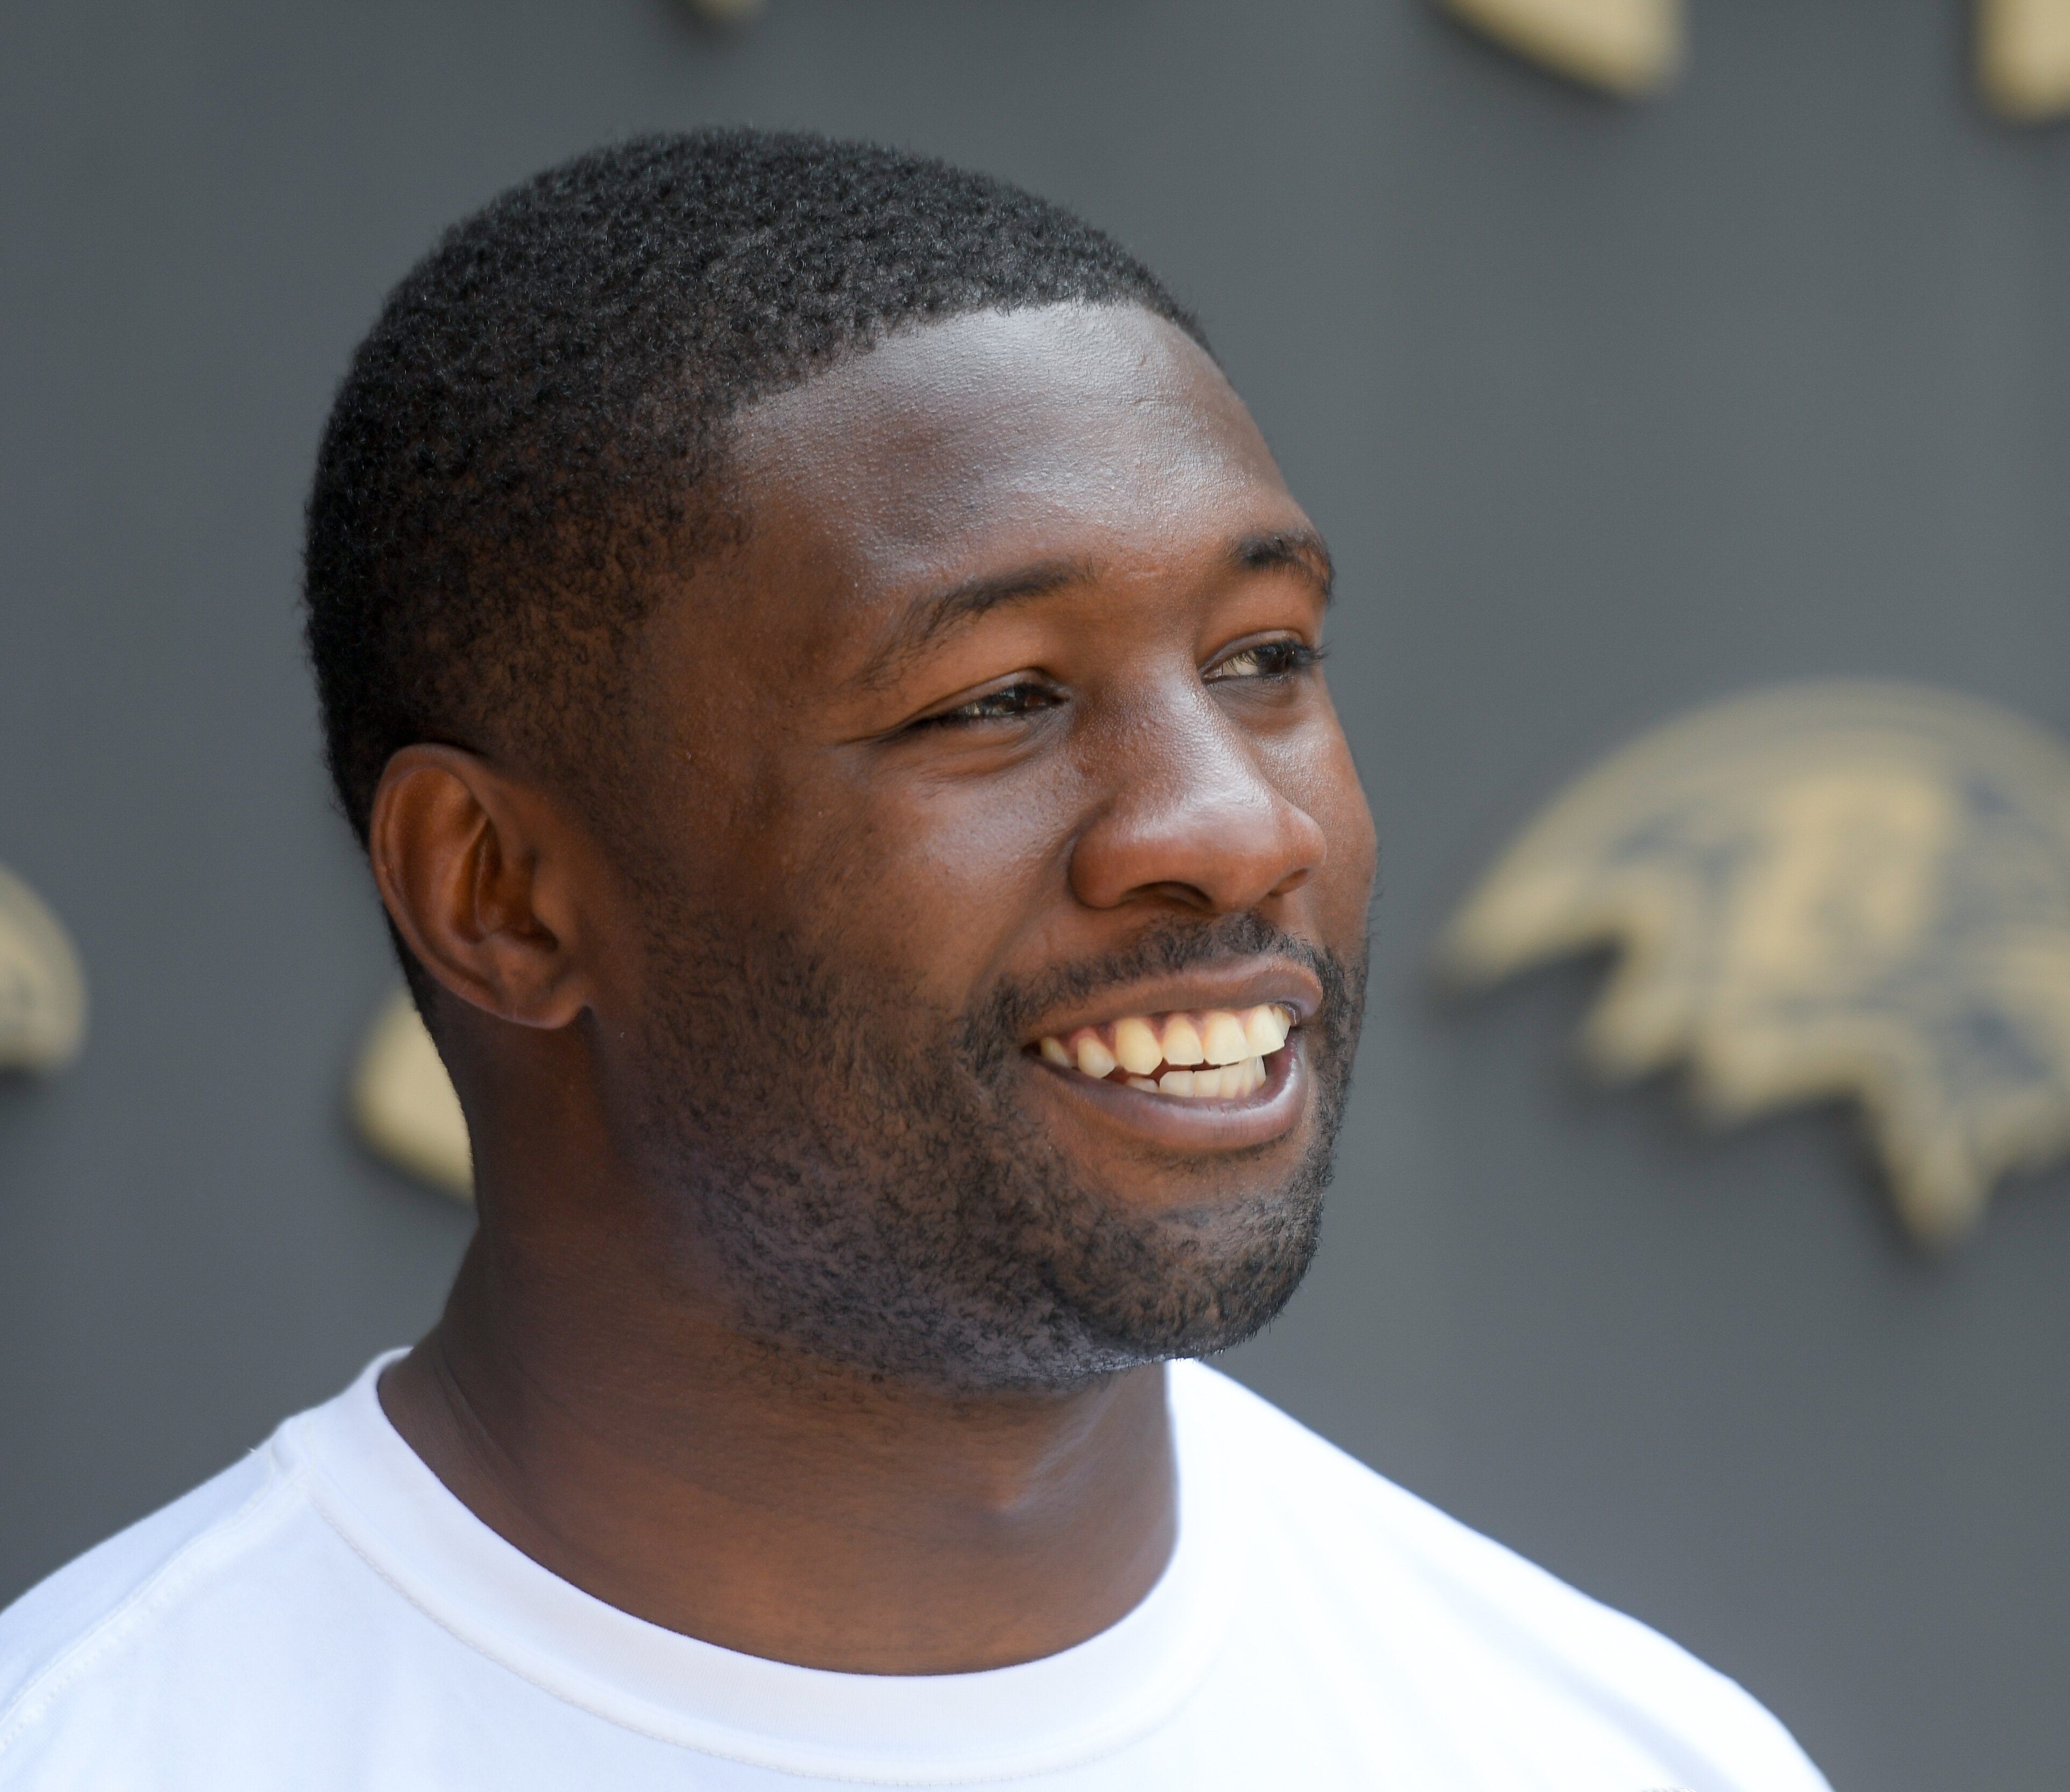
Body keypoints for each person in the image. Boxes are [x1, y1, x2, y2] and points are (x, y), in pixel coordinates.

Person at [0, 130, 1826, 1790]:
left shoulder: (1616, 1757)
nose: (1232, 829)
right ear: (501, 895)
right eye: (998, 701)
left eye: (1263, 658)